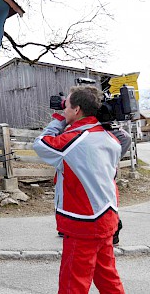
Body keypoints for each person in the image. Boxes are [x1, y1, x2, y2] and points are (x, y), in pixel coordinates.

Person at [32, 86, 125, 293]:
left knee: (72, 284)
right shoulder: (111, 139)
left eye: (66, 106)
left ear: (77, 110)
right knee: (108, 278)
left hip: (83, 221)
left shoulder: (73, 141)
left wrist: (58, 119)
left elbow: (40, 144)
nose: (63, 109)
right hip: (107, 217)